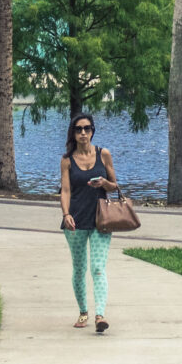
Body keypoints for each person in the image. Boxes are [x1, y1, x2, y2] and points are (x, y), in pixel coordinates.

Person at [58, 114, 117, 333]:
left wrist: (105, 183)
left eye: (87, 128)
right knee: (79, 268)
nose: (83, 133)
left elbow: (115, 186)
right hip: (75, 220)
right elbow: (65, 190)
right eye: (78, 129)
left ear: (92, 131)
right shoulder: (67, 160)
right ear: (73, 133)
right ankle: (83, 311)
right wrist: (66, 214)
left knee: (98, 268)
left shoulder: (104, 154)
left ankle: (100, 315)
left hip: (101, 219)